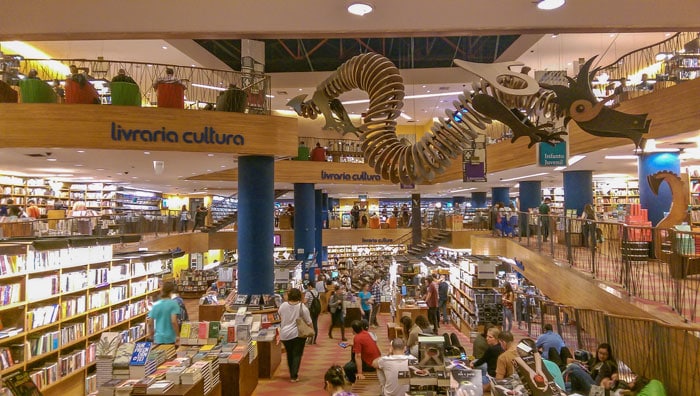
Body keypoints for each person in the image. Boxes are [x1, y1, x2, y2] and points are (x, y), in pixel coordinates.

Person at [277, 288, 312, 383]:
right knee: (297, 354)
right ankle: (294, 375)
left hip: (285, 334)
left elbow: (279, 314)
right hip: (298, 334)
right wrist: (312, 331)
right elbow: (309, 321)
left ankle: (292, 372)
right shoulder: (302, 307)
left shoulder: (283, 305)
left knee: (289, 354)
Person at [470, 327, 504, 393]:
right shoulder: (500, 347)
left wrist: (473, 365)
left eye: (490, 337)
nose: (487, 338)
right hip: (493, 371)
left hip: (491, 377)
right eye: (487, 336)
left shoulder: (491, 350)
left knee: (471, 381)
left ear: (496, 339)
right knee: (477, 362)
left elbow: (483, 360)